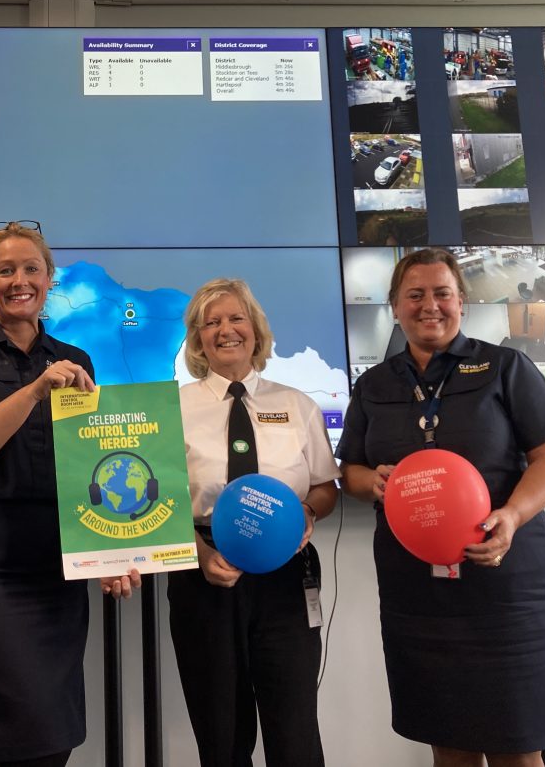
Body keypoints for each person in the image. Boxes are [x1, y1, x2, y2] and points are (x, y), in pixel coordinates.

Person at [337, 248, 545, 767]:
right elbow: (349, 471)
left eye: (442, 293)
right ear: (394, 307)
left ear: (461, 302)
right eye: (415, 295)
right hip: (418, 594)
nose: (430, 305)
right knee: (448, 740)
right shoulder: (375, 386)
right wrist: (372, 484)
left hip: (506, 585)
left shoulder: (504, 366)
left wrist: (510, 516)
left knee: (518, 741)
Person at [0, 221, 139, 767]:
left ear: (49, 279)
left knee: (54, 733)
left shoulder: (75, 359)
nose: (20, 280)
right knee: (22, 729)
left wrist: (111, 550)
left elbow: (89, 470)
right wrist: (35, 389)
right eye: (5, 270)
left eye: (31, 269)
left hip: (52, 565)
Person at [169, 278, 339, 767]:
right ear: (198, 338)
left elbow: (324, 488)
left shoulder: (297, 403)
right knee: (220, 734)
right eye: (212, 322)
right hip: (203, 573)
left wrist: (306, 512)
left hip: (286, 578)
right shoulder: (174, 408)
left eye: (236, 318)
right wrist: (199, 555)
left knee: (295, 731)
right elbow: (155, 502)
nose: (226, 330)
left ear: (256, 330)